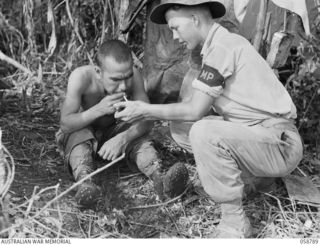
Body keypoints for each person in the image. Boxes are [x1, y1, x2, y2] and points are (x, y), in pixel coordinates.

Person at [114, 0, 304, 238]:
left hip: (280, 144)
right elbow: (191, 111)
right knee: (184, 129)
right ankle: (259, 179)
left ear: (194, 19)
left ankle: (234, 223)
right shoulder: (218, 46)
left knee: (202, 132)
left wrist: (144, 110)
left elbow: (195, 110)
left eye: (175, 27)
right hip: (264, 136)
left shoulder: (223, 48)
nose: (174, 36)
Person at [56, 39, 189, 209]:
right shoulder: (81, 78)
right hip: (82, 137)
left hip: (113, 135)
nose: (124, 86)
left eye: (127, 78)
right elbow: (65, 124)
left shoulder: (134, 76)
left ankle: (160, 179)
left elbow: (147, 120)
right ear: (98, 72)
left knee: (139, 135)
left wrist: (123, 139)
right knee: (78, 133)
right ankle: (85, 183)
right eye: (116, 80)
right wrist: (98, 109)